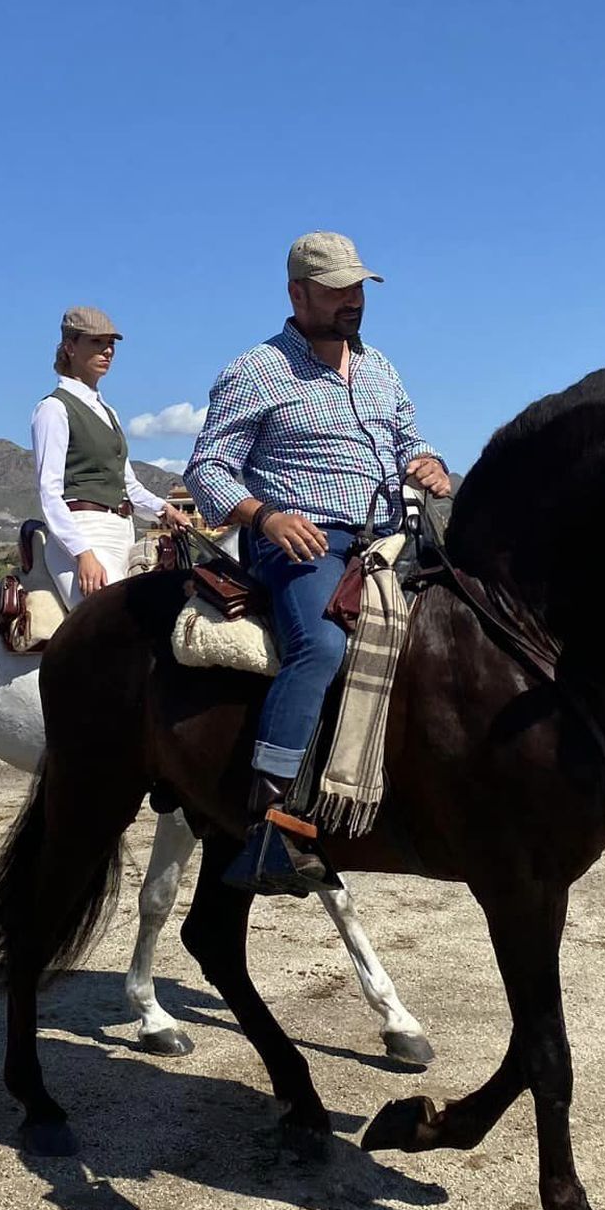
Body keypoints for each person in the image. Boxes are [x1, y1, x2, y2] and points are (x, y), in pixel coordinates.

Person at [184, 231, 450, 887]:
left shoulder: (382, 368)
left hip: (390, 536)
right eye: (336, 289)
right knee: (322, 648)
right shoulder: (258, 369)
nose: (352, 300)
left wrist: (430, 464)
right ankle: (272, 820)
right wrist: (266, 517)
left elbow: (411, 439)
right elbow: (208, 468)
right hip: (306, 541)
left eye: (357, 287)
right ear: (297, 293)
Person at [31, 307, 190, 609]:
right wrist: (83, 554)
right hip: (81, 532)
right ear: (69, 347)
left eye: (111, 344)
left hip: (122, 533)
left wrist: (164, 510)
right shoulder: (53, 408)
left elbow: (128, 485)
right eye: (96, 342)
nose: (108, 351)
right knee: (107, 627)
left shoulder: (109, 412)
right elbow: (49, 494)